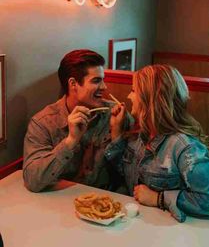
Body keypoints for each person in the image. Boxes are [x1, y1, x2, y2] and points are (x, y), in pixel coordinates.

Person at [105, 64, 209, 222]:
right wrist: (116, 131)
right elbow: (123, 172)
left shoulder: (184, 147)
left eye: (133, 90)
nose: (128, 96)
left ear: (150, 99)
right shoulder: (140, 135)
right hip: (139, 226)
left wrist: (158, 198)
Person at [23, 49, 130, 192]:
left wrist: (117, 135)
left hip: (108, 202)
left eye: (103, 79)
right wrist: (71, 140)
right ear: (73, 84)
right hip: (61, 202)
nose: (104, 87)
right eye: (96, 80)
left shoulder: (117, 114)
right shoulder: (43, 123)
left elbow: (131, 174)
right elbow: (33, 181)